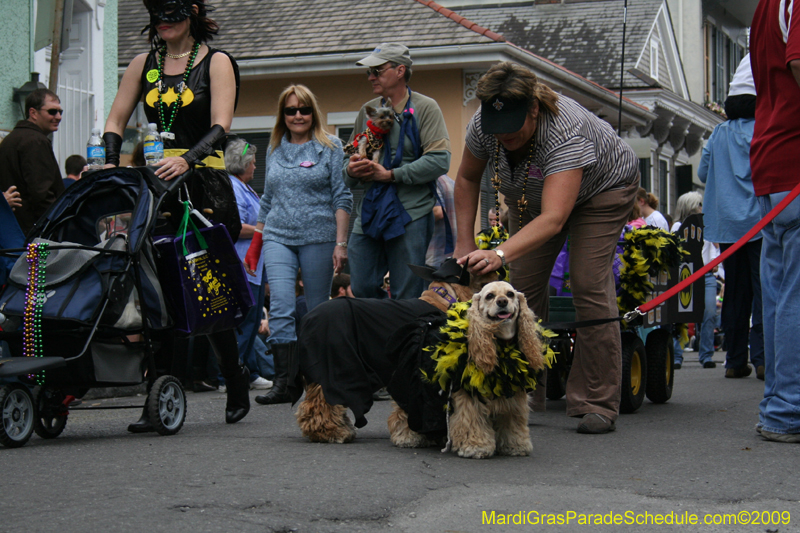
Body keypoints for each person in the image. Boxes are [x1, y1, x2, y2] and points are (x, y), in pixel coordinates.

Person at [453, 61, 639, 434]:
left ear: (534, 109)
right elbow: (467, 177)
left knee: (587, 282)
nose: (503, 136)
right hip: (531, 196)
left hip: (603, 191)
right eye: (496, 128)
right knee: (522, 286)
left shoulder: (566, 132)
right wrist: (464, 242)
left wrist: (499, 252)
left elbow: (555, 219)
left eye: (513, 128)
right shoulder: (483, 123)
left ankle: (596, 401)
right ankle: (520, 391)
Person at [102, 0, 251, 428]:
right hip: (156, 187)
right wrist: (112, 159)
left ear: (192, 15)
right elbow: (116, 119)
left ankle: (234, 374)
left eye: (171, 17)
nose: (162, 25)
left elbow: (221, 126)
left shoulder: (217, 61)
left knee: (208, 285)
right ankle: (161, 390)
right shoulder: (142, 62)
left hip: (203, 185)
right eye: (158, 18)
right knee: (159, 289)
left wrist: (187, 159)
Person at [244, 84, 352, 405]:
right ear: (283, 115)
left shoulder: (331, 146)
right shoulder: (275, 147)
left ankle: (317, 381)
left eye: (304, 109)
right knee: (280, 305)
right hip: (278, 235)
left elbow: (342, 196)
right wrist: (256, 244)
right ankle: (285, 382)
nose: (298, 115)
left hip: (318, 237)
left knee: (317, 309)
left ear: (313, 112)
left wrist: (340, 243)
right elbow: (268, 198)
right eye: (291, 110)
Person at [344, 43, 451, 300]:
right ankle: (382, 328)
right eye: (369, 72)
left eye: (377, 71)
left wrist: (391, 175)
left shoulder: (426, 108)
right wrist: (352, 169)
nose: (371, 77)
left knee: (407, 291)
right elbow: (346, 166)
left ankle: (402, 335)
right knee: (361, 286)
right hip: (371, 211)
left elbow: (440, 161)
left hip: (410, 211)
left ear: (400, 70)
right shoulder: (367, 110)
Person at [750, 0, 800, 443]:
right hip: (794, 159)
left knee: (781, 294)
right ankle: (788, 409)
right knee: (794, 295)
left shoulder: (769, 5)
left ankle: (780, 406)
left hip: (771, 161)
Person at [698, 54, 763, 381]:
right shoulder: (765, 129)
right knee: (765, 289)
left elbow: (702, 172)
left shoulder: (719, 133)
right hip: (762, 223)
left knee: (735, 292)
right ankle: (764, 358)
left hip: (727, 226)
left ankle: (735, 360)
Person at [225, 138, 273, 390]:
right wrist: (264, 230)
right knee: (244, 322)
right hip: (244, 265)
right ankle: (230, 376)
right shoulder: (233, 187)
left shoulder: (245, 187)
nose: (256, 167)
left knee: (252, 322)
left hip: (254, 266)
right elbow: (235, 227)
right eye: (253, 163)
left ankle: (251, 372)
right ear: (242, 164)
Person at [0, 88, 64, 234]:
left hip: (14, 231)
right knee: (38, 258)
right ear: (33, 113)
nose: (58, 116)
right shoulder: (35, 141)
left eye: (61, 112)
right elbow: (41, 193)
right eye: (52, 111)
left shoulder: (12, 138)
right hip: (34, 232)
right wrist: (58, 224)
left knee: (26, 258)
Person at [671, 191, 718, 369]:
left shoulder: (706, 226)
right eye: (699, 204)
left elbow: (712, 250)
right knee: (681, 314)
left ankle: (706, 355)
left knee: (709, 313)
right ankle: (677, 355)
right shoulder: (677, 227)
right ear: (690, 207)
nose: (702, 207)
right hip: (685, 274)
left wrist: (714, 262)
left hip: (705, 274)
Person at [425, 174, 457, 269]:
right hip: (450, 254)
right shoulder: (451, 182)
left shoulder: (432, 181)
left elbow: (438, 211)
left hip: (435, 252)